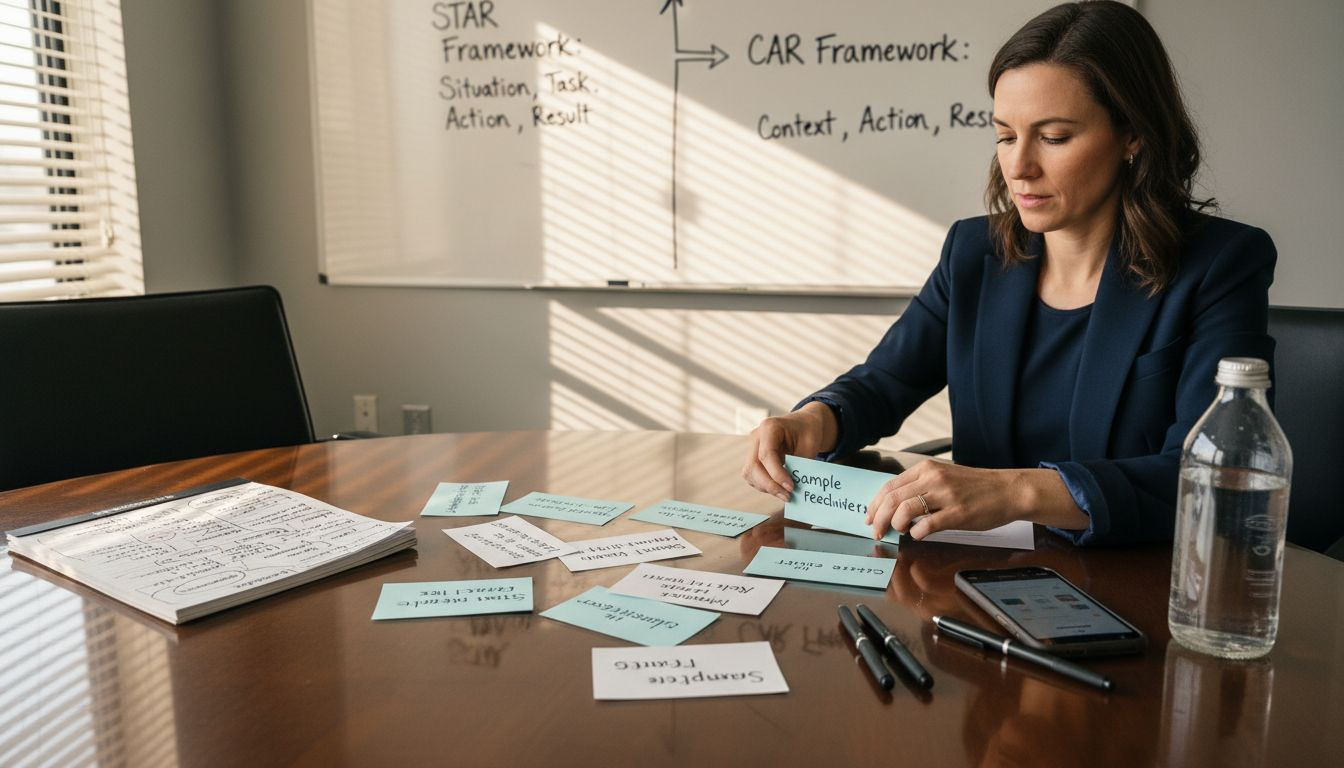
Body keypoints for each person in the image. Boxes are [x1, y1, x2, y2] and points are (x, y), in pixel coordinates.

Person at [741, 1, 1276, 547]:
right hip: (975, 576)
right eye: (1004, 135)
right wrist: (814, 420)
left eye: (1054, 137)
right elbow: (886, 381)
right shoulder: (974, 251)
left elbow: (1214, 477)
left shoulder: (1221, 265)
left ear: (1132, 136)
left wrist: (1014, 492)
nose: (1018, 166)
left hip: (1133, 579)